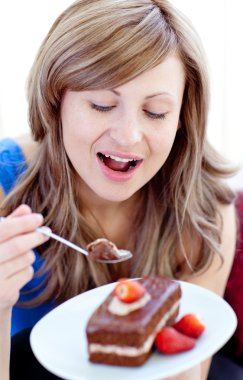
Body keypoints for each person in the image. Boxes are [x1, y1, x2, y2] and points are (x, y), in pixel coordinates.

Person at [0, 0, 237, 379]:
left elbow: (184, 372)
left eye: (156, 112)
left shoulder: (205, 214)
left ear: (181, 118)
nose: (128, 135)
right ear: (55, 101)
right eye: (101, 104)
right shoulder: (3, 189)